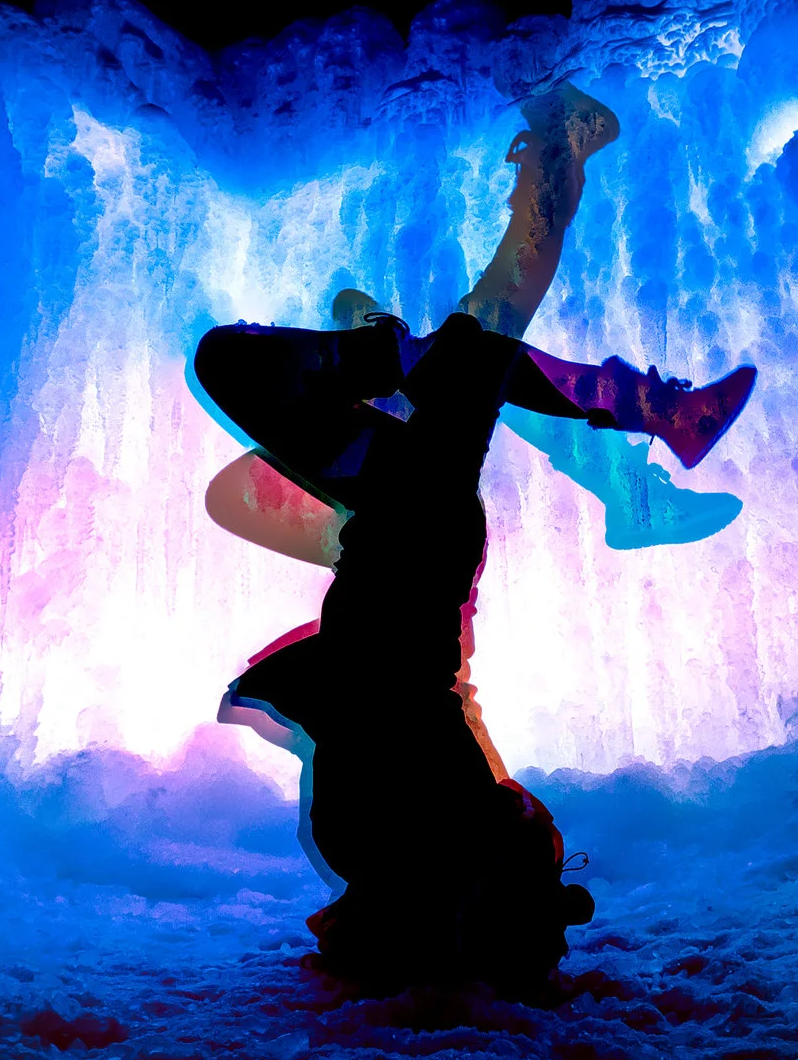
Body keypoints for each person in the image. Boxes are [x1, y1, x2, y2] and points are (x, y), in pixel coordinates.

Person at [194, 87, 747, 991]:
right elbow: (501, 842)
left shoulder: (369, 836)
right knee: (484, 326)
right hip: (417, 538)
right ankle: (558, 167)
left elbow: (485, 829)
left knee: (447, 345)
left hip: (399, 529)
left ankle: (432, 347)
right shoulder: (412, 829)